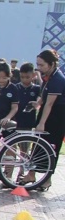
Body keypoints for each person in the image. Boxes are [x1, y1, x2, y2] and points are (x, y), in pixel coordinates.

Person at [32, 49, 65, 191]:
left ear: (51, 64)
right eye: (37, 65)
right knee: (38, 145)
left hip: (56, 117)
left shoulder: (58, 79)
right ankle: (31, 175)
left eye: (42, 65)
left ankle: (47, 179)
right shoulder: (49, 77)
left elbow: (50, 103)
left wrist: (41, 123)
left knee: (51, 148)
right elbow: (45, 96)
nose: (39, 68)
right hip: (47, 112)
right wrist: (38, 103)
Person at [15, 62, 41, 131]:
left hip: (29, 122)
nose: (24, 79)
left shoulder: (36, 89)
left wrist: (39, 77)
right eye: (22, 77)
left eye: (27, 77)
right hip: (16, 120)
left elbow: (44, 90)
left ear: (33, 75)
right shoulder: (15, 87)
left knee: (26, 140)